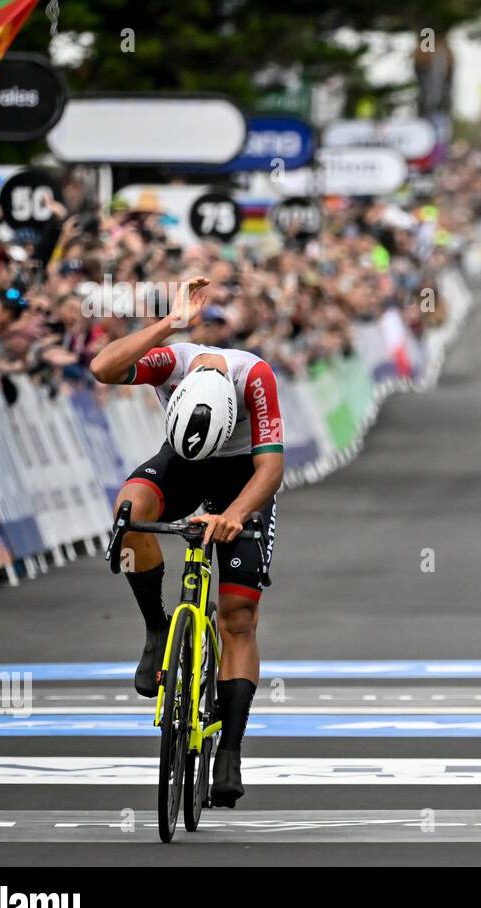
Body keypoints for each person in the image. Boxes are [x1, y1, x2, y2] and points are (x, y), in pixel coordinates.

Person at [89, 276, 284, 808]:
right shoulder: (172, 360)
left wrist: (235, 515)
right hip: (183, 459)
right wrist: (167, 324)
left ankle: (231, 751)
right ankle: (157, 626)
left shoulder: (254, 377)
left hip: (240, 475)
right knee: (129, 511)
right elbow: (103, 368)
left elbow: (271, 466)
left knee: (238, 615)